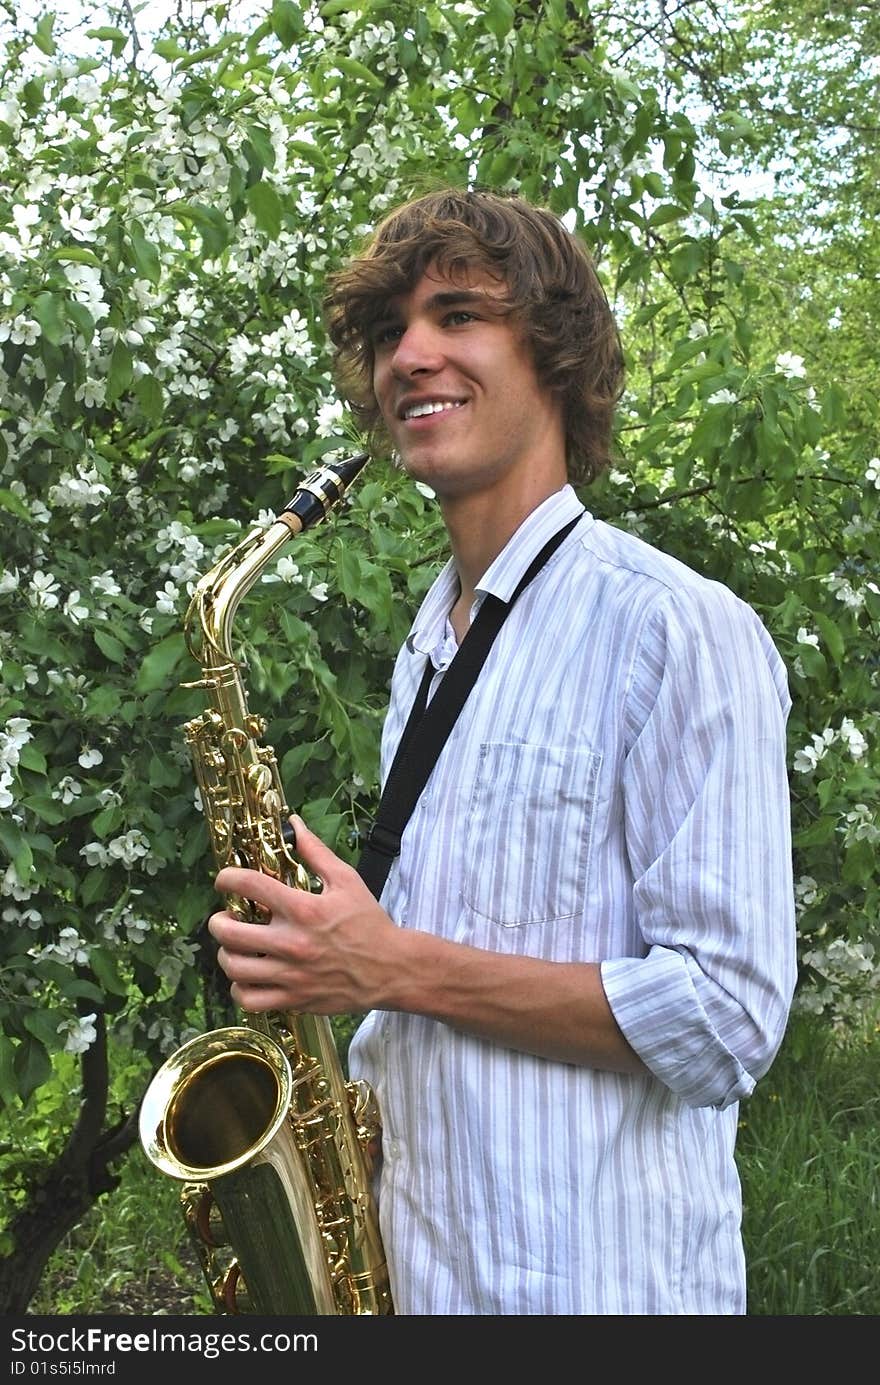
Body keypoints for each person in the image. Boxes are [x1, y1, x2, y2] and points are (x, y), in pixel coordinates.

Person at [208, 187, 797, 1315]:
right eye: (388, 332)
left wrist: (389, 964)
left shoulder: (673, 627)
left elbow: (724, 1016)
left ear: (557, 356)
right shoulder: (425, 649)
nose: (409, 356)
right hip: (426, 1277)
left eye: (457, 314)